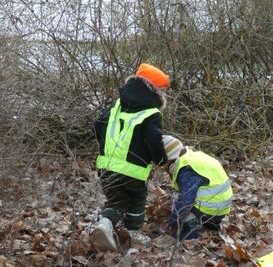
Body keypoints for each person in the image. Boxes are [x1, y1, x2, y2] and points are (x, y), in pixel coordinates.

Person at [91, 63, 170, 250]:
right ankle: (131, 232)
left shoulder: (116, 104)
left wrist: (105, 146)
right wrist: (161, 160)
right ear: (155, 90)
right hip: (133, 170)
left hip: (106, 166)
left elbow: (97, 125)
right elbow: (154, 141)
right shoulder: (152, 113)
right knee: (136, 200)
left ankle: (105, 224)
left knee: (116, 200)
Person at [161, 135, 233, 240]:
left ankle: (192, 230)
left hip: (209, 211)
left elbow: (186, 200)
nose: (164, 168)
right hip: (221, 211)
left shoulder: (186, 169)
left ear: (169, 159)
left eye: (164, 164)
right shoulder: (195, 157)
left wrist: (173, 221)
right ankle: (208, 225)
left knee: (177, 198)